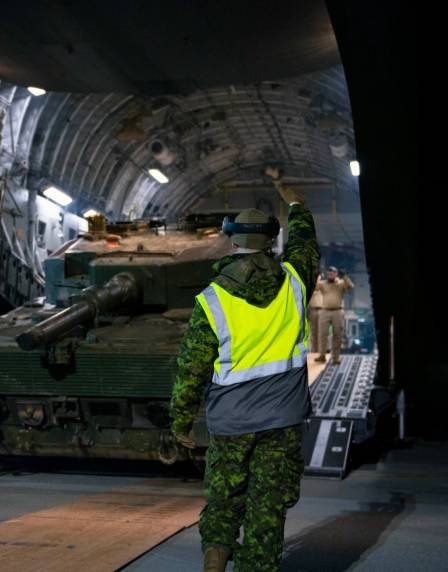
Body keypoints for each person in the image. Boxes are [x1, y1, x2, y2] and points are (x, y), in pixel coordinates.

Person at [170, 177, 319, 572]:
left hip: (230, 422)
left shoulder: (212, 299)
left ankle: (214, 563)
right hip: (282, 421)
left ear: (231, 241)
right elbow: (305, 239)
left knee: (223, 501)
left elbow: (191, 369)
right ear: (272, 241)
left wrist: (180, 421)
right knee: (265, 511)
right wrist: (295, 202)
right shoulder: (296, 282)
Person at [314, 266, 354, 364]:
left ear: (336, 274)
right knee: (323, 334)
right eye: (329, 273)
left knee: (337, 335)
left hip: (337, 311)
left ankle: (336, 358)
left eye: (332, 273)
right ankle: (322, 355)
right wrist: (317, 276)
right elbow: (314, 287)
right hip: (325, 311)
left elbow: (350, 286)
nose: (330, 275)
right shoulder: (323, 284)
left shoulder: (340, 284)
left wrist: (345, 277)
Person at [308, 282, 323, 353]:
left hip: (321, 310)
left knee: (321, 332)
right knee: (314, 333)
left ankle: (321, 351)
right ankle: (314, 351)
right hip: (312, 310)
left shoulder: (323, 285)